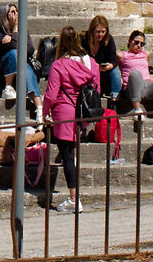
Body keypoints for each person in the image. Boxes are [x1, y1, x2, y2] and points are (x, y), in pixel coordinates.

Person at [37, 26, 99, 212]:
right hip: (81, 113)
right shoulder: (91, 64)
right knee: (72, 154)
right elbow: (96, 88)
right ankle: (75, 196)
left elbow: (50, 94)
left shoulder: (59, 65)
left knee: (67, 156)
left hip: (64, 113)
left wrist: (44, 112)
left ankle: (74, 199)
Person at [82, 15, 123, 105]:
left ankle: (114, 101)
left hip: (104, 73)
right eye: (98, 32)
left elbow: (113, 60)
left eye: (103, 32)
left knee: (115, 72)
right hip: (88, 72)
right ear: (92, 31)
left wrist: (109, 66)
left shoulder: (109, 40)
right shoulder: (84, 40)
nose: (101, 34)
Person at [116, 30, 153, 113]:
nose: (139, 45)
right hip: (131, 87)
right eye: (136, 42)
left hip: (147, 85)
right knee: (135, 74)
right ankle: (137, 109)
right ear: (129, 41)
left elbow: (146, 70)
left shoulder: (146, 54)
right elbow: (117, 69)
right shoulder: (121, 55)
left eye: (142, 44)